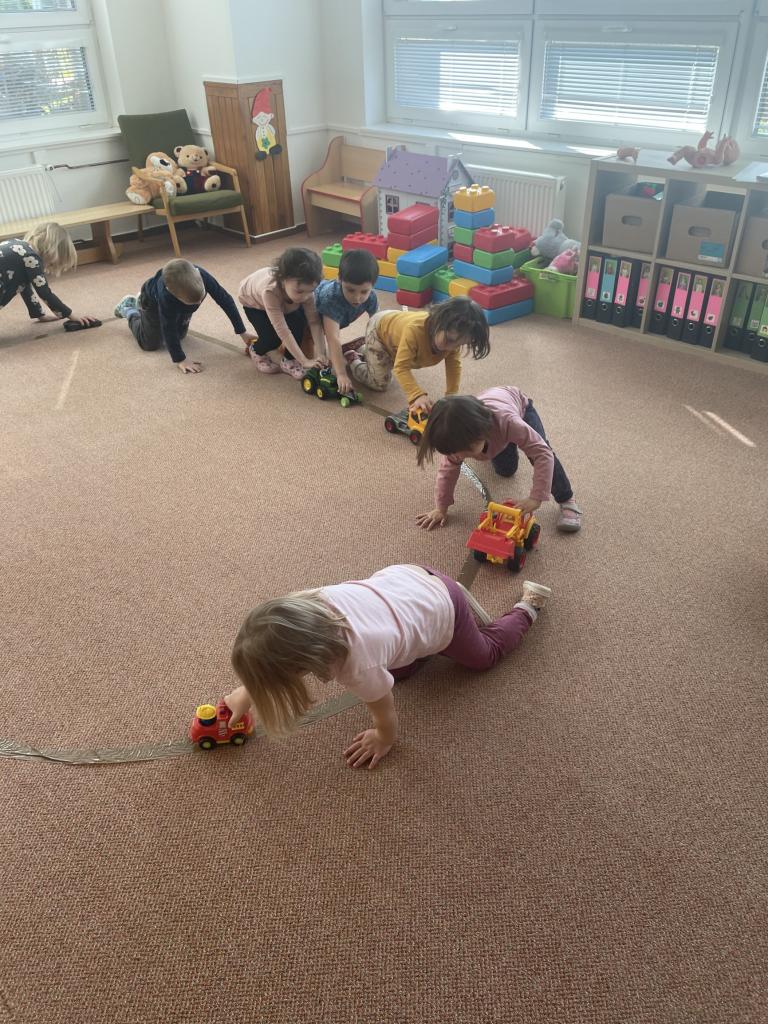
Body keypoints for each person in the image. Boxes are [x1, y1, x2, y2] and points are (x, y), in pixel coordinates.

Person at [222, 564, 552, 769]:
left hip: (444, 610)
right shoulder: (304, 605)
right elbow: (280, 645)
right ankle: (417, 644)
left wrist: (383, 736)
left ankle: (528, 607)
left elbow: (385, 710)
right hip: (405, 579)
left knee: (484, 657)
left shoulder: (358, 665)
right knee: (397, 671)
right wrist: (248, 691)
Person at [415, 388, 582, 532]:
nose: (460, 457)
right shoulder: (456, 444)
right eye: (454, 452)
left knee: (542, 449)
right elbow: (446, 473)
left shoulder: (509, 422)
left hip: (521, 408)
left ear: (484, 432)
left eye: (467, 451)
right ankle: (506, 443)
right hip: (494, 424)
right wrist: (441, 508)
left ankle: (567, 500)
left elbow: (542, 454)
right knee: (506, 470)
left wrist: (536, 497)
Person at [345, 296, 489, 412]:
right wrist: (416, 395)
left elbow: (454, 366)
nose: (452, 348)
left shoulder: (452, 339)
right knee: (380, 383)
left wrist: (451, 395)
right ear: (439, 322)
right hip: (379, 331)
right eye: (450, 340)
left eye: (459, 344)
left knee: (394, 358)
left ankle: (365, 348)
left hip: (395, 334)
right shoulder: (414, 331)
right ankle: (352, 357)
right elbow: (401, 367)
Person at [114, 258, 254, 374]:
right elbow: (167, 327)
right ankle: (129, 309)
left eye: (201, 298)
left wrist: (242, 332)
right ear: (171, 292)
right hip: (152, 302)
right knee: (150, 344)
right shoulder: (165, 296)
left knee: (180, 336)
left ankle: (179, 308)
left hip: (180, 305)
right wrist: (180, 359)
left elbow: (226, 301)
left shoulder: (203, 276)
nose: (199, 303)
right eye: (193, 302)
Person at [237, 247, 327, 379]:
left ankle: (289, 360)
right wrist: (304, 361)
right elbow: (282, 330)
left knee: (299, 324)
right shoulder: (270, 292)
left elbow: (315, 322)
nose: (306, 297)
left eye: (311, 291)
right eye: (300, 291)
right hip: (254, 303)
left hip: (285, 301)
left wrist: (321, 354)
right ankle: (255, 350)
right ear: (283, 280)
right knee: (272, 337)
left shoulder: (305, 293)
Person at [0, 223, 97, 327]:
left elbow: (23, 286)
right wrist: (71, 315)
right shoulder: (31, 257)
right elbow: (44, 292)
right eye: (51, 264)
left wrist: (39, 314)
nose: (46, 267)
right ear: (51, 249)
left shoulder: (17, 246)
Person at [314, 248, 379, 395]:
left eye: (364, 291)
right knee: (313, 355)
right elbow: (332, 337)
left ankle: (347, 349)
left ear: (373, 285)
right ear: (339, 279)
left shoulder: (371, 297)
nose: (357, 298)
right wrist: (341, 374)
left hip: (339, 318)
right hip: (307, 317)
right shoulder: (330, 297)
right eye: (350, 290)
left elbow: (378, 325)